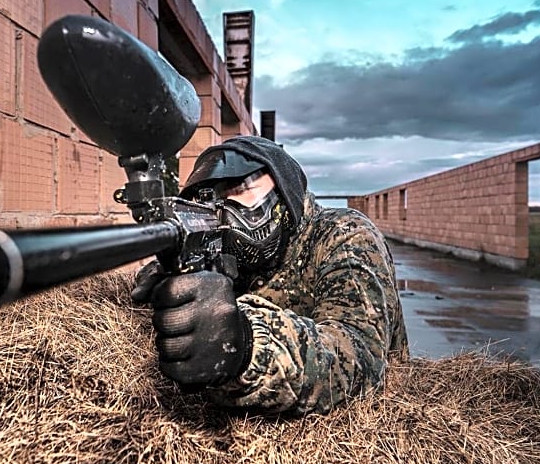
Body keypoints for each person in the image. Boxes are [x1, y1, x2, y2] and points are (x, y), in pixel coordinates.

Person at [132, 136, 408, 415]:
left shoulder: (344, 234)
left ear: (284, 187)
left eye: (242, 189)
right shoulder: (225, 251)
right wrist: (177, 281)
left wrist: (247, 347)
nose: (228, 212)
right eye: (213, 201)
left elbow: (362, 360)